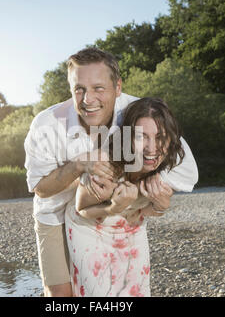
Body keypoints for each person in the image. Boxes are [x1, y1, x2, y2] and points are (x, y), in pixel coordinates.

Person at [24, 47, 198, 297]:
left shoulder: (135, 112)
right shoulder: (46, 125)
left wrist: (152, 194)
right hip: (55, 214)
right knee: (61, 297)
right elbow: (40, 188)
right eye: (79, 89)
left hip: (109, 208)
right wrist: (79, 165)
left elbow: (185, 167)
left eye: (98, 88)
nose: (87, 99)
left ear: (118, 87)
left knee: (121, 290)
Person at [65, 97, 184, 297]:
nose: (152, 148)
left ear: (171, 139)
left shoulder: (166, 169)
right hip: (88, 227)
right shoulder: (108, 166)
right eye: (141, 137)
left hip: (130, 227)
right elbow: (81, 208)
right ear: (127, 137)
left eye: (160, 137)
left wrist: (160, 207)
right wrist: (113, 208)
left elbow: (140, 210)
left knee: (135, 291)